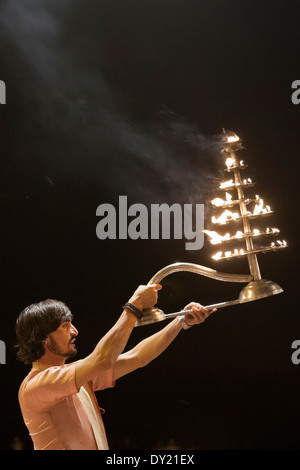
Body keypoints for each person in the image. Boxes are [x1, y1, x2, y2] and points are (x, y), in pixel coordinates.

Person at [16, 284, 214, 450]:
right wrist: (134, 305)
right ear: (42, 338)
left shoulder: (76, 377)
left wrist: (180, 322)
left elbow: (137, 357)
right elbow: (103, 357)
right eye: (65, 326)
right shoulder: (36, 386)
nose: (75, 331)